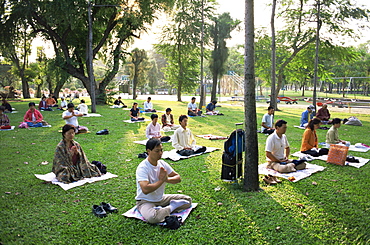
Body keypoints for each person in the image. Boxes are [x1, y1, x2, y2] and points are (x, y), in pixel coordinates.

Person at [135, 138, 192, 224]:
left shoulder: (162, 163)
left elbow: (178, 178)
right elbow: (145, 189)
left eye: (161, 150)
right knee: (153, 218)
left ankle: (162, 210)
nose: (160, 153)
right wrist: (161, 181)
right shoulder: (143, 167)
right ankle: (172, 207)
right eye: (157, 151)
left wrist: (167, 179)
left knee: (188, 200)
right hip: (145, 201)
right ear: (148, 151)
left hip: (161, 199)